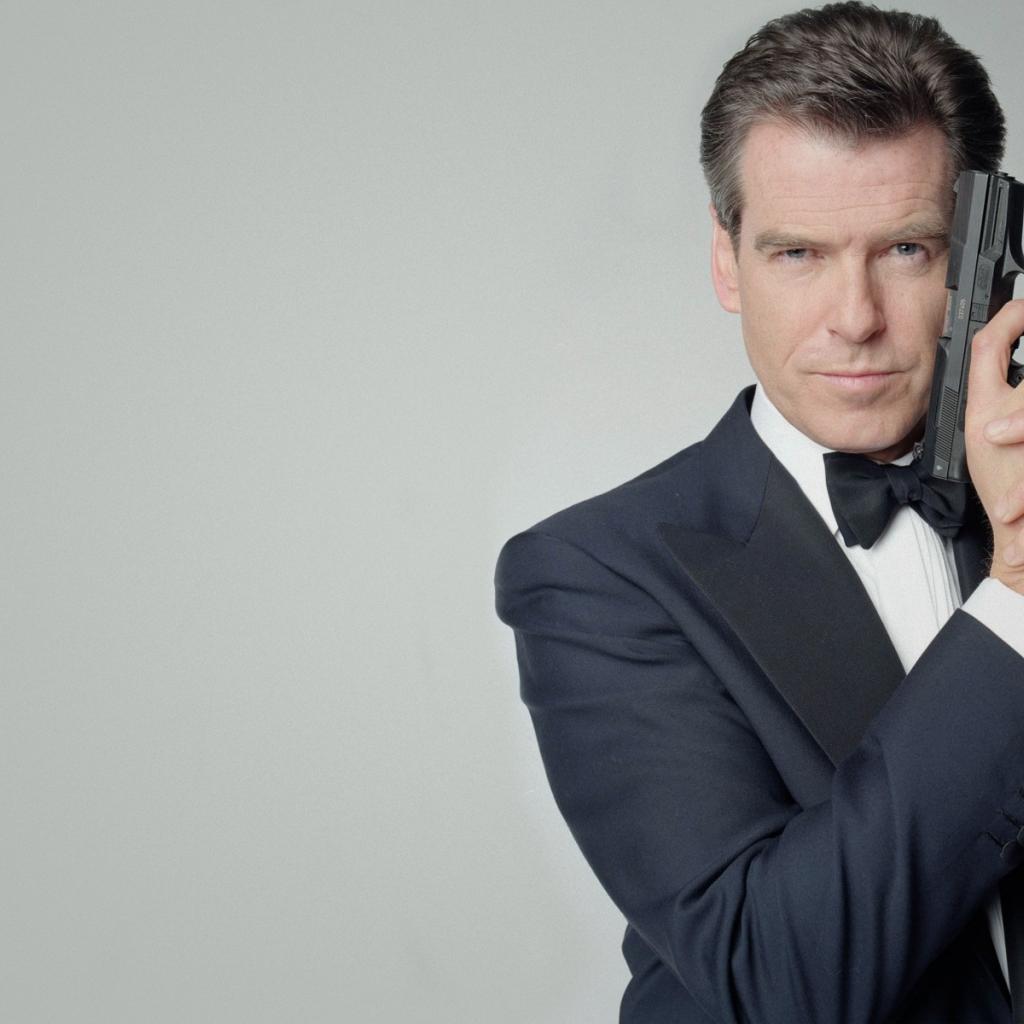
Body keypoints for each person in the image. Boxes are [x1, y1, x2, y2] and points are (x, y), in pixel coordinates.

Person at [494, 3, 1024, 1022]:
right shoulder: (590, 576)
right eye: (798, 255)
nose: (855, 318)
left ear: (980, 261)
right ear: (725, 260)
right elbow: (779, 977)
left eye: (905, 250)